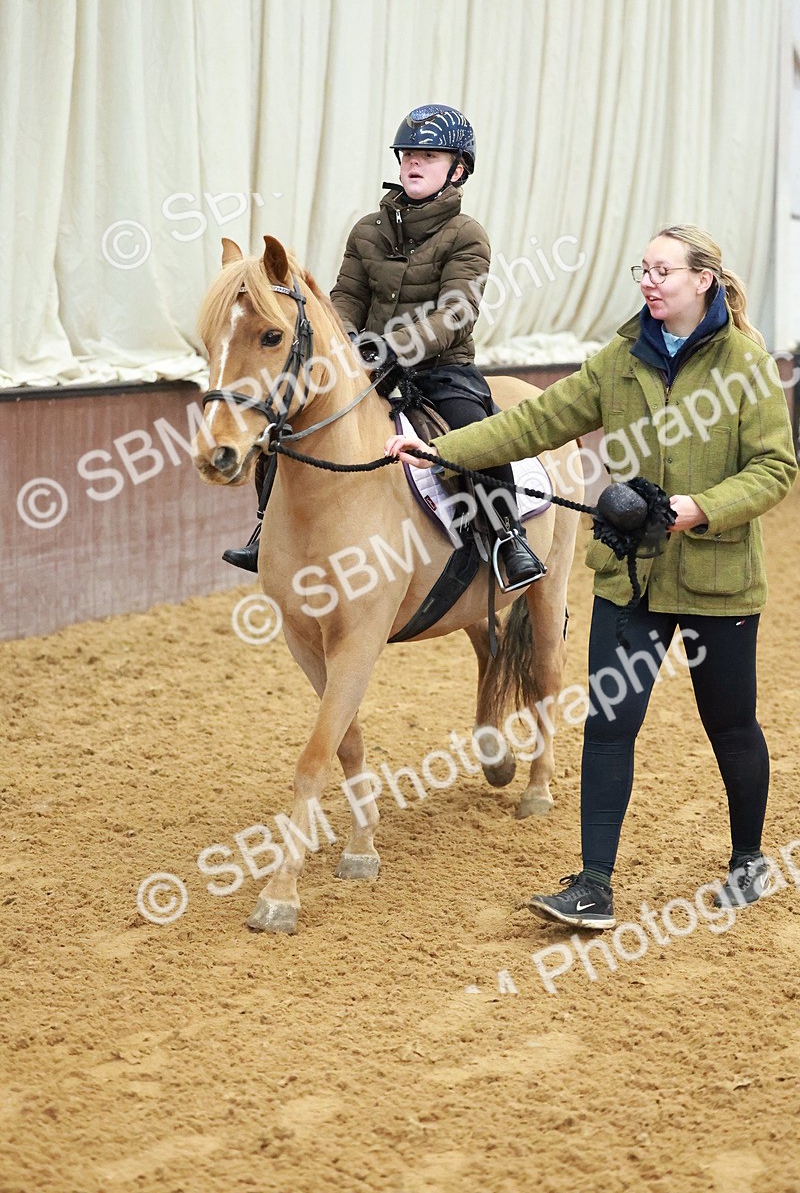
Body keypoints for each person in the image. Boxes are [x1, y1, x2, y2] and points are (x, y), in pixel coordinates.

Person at [385, 223, 797, 928]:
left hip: (718, 579)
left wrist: (703, 508)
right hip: (631, 577)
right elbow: (537, 421)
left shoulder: (746, 364)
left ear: (702, 280)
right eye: (643, 268)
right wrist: (441, 450)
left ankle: (747, 860)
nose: (648, 280)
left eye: (663, 270)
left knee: (729, 724)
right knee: (609, 727)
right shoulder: (621, 356)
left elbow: (776, 469)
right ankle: (594, 885)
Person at [222, 103, 544, 587]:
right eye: (408, 153)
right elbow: (347, 297)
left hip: (440, 368)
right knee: (285, 415)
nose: (413, 162)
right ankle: (266, 528)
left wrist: (391, 345)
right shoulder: (367, 230)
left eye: (429, 155)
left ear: (457, 170)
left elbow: (456, 314)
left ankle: (506, 535)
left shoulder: (467, 235)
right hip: (366, 365)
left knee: (473, 427)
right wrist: (347, 340)